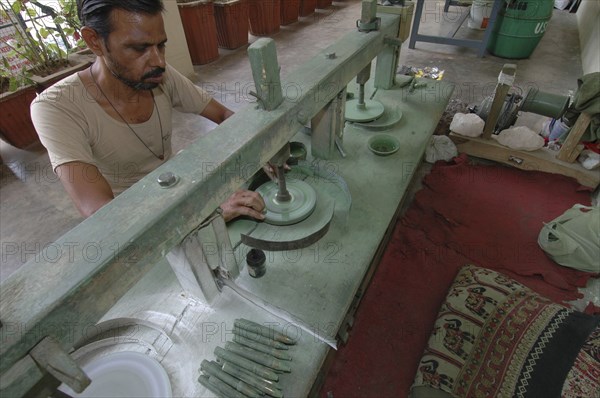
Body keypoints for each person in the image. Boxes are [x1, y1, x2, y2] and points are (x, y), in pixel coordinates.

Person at [31, 0, 265, 222]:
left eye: (160, 45)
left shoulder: (157, 73)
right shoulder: (56, 108)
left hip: (176, 186)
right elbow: (99, 213)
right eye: (138, 48)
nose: (159, 62)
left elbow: (223, 116)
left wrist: (261, 149)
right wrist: (204, 212)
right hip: (132, 217)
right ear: (94, 41)